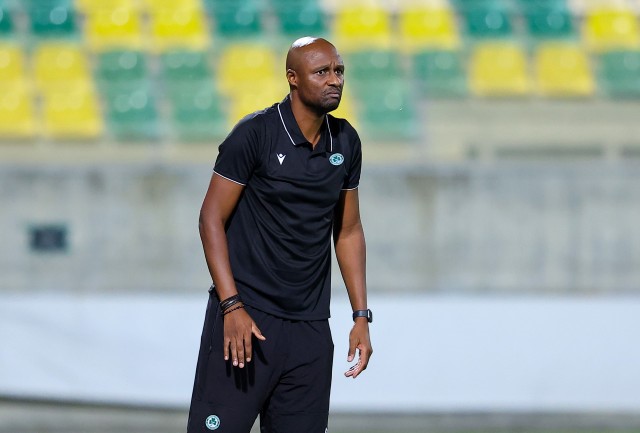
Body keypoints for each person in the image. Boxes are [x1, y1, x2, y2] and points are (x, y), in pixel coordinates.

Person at [187, 36, 373, 433]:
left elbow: (348, 229)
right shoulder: (255, 133)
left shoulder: (346, 141)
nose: (334, 80)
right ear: (293, 78)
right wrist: (231, 306)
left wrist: (361, 315)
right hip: (246, 320)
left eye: (338, 71)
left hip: (310, 329)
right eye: (321, 72)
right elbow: (210, 219)